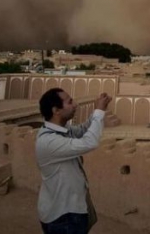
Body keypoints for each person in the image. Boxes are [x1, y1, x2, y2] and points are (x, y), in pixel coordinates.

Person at [36, 88, 112, 234]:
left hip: (70, 209)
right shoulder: (49, 140)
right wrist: (99, 112)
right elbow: (90, 142)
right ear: (56, 110)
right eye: (69, 102)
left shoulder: (59, 130)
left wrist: (98, 110)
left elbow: (82, 130)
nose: (75, 105)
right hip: (63, 216)